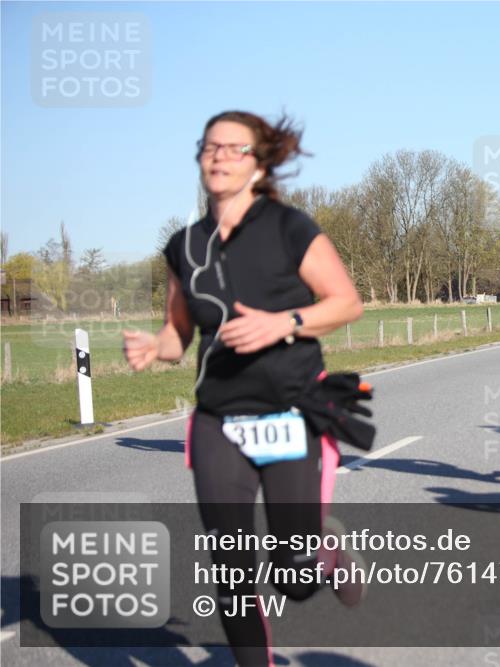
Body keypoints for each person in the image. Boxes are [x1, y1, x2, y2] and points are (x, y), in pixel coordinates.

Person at [123, 110, 367, 666]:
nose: (219, 156)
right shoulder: (184, 245)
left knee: (293, 577)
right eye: (211, 146)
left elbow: (346, 302)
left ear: (259, 165)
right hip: (218, 420)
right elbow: (178, 334)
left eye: (235, 148)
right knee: (230, 569)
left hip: (290, 411)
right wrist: (152, 348)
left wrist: (284, 323)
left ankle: (323, 550)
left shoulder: (290, 228)